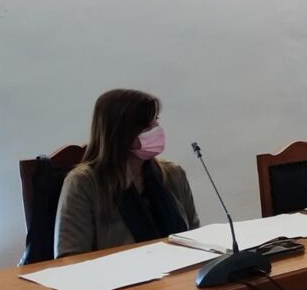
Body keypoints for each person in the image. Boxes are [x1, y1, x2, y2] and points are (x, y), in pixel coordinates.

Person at [55, 89, 200, 257]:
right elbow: (70, 257)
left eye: (156, 120)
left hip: (180, 269)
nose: (157, 129)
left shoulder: (173, 174)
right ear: (120, 132)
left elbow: (196, 238)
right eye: (146, 126)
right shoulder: (83, 182)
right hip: (116, 273)